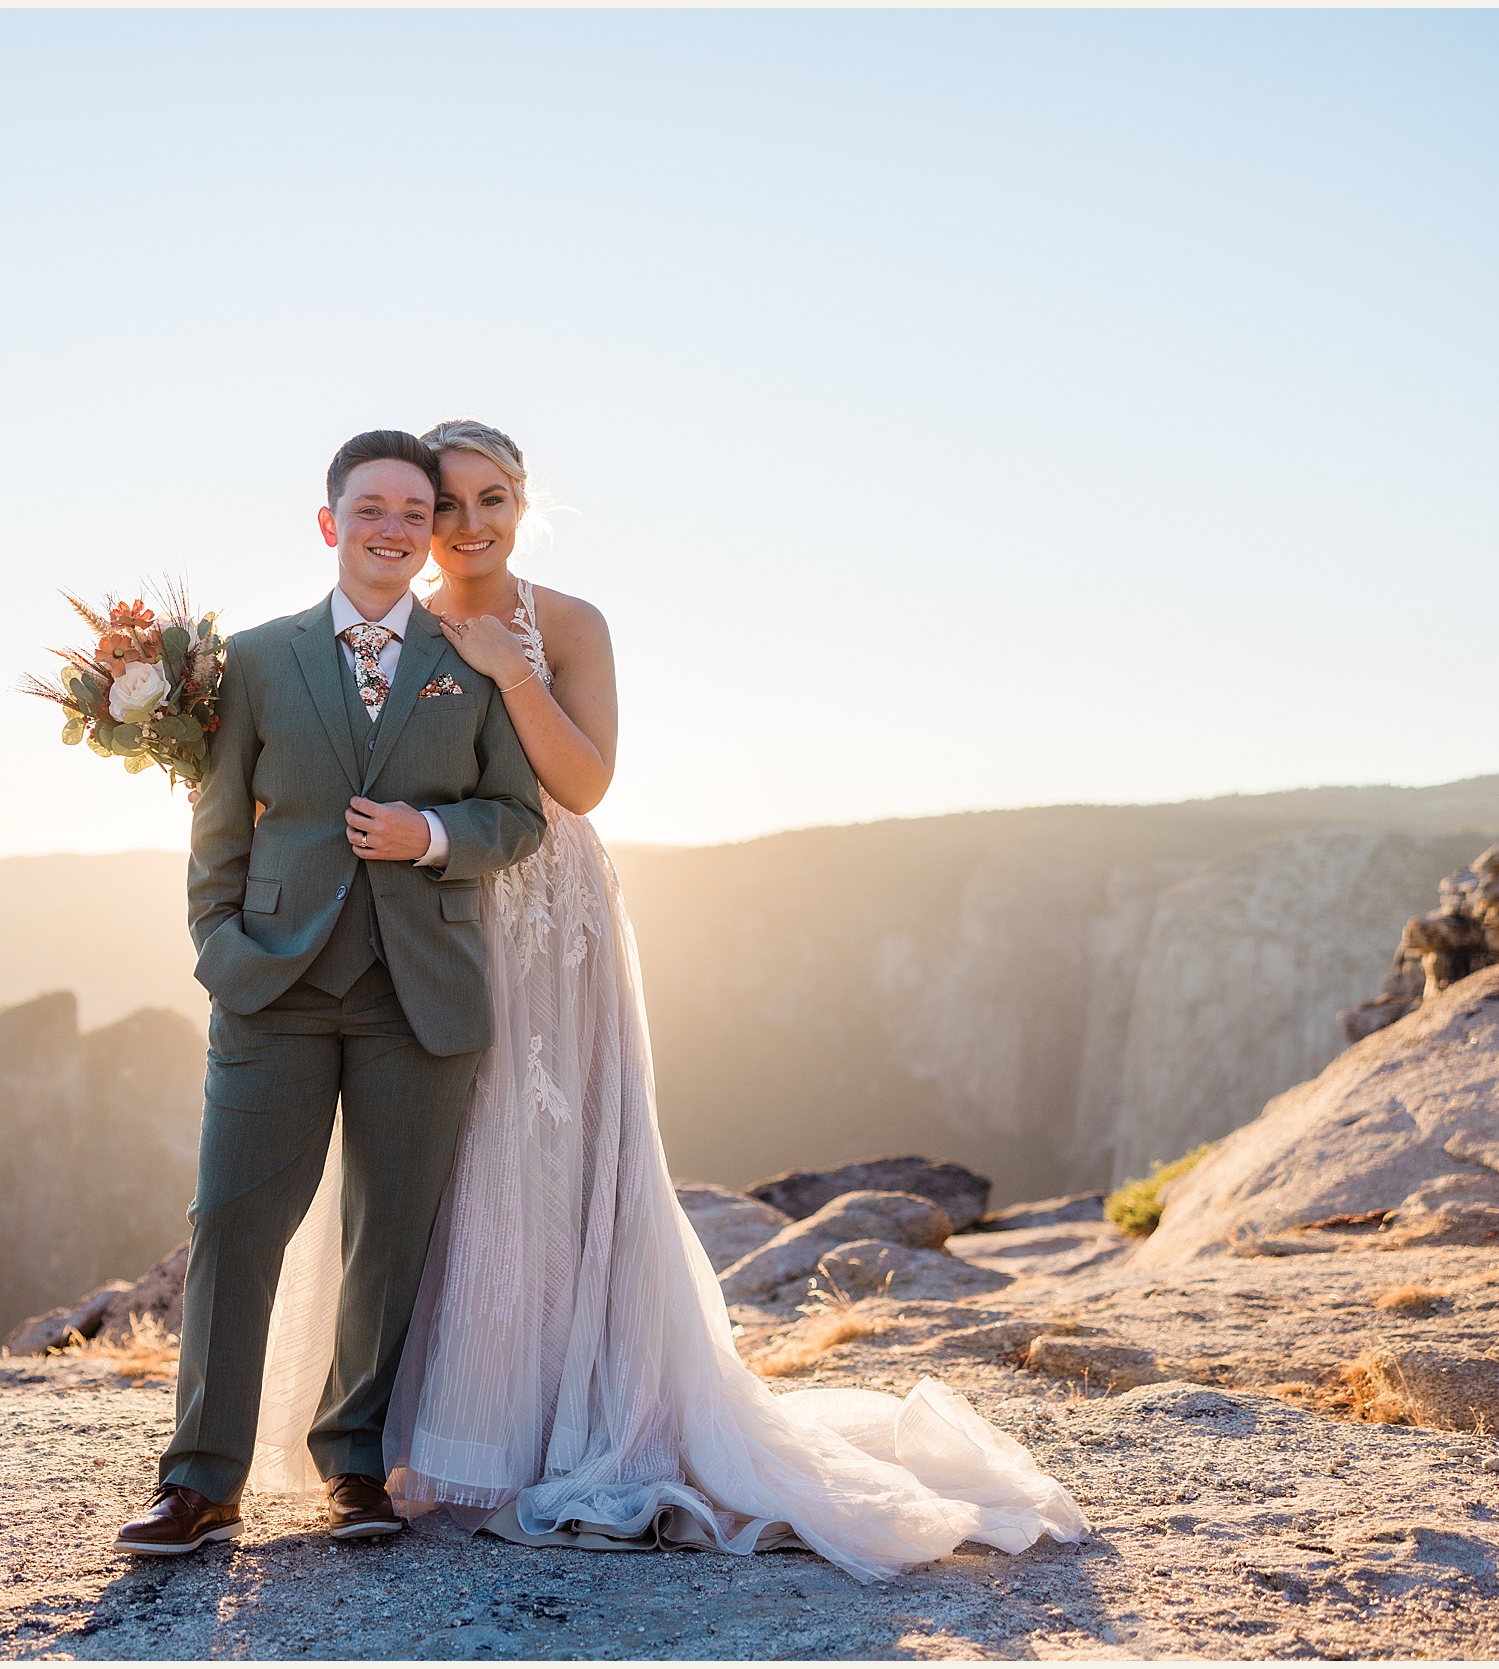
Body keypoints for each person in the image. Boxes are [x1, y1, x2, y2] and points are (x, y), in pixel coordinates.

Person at [250, 420, 1086, 1581]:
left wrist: (507, 666)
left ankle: (544, 1425)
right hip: (433, 909)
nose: (470, 524)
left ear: (525, 502)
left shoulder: (569, 621)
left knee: (544, 1144)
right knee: (433, 1160)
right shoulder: (390, 618)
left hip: (547, 908)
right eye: (447, 506)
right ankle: (405, 1429)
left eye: (495, 499)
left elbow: (585, 780)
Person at [114, 429, 548, 1556]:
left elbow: (518, 814)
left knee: (388, 1235)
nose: (396, 528)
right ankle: (199, 1480)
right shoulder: (255, 660)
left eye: (415, 510)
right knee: (233, 1224)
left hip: (424, 994)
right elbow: (214, 827)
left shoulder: (476, 657)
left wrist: (431, 833)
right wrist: (221, 950)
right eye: (373, 508)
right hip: (275, 990)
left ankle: (352, 1464)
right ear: (331, 523)